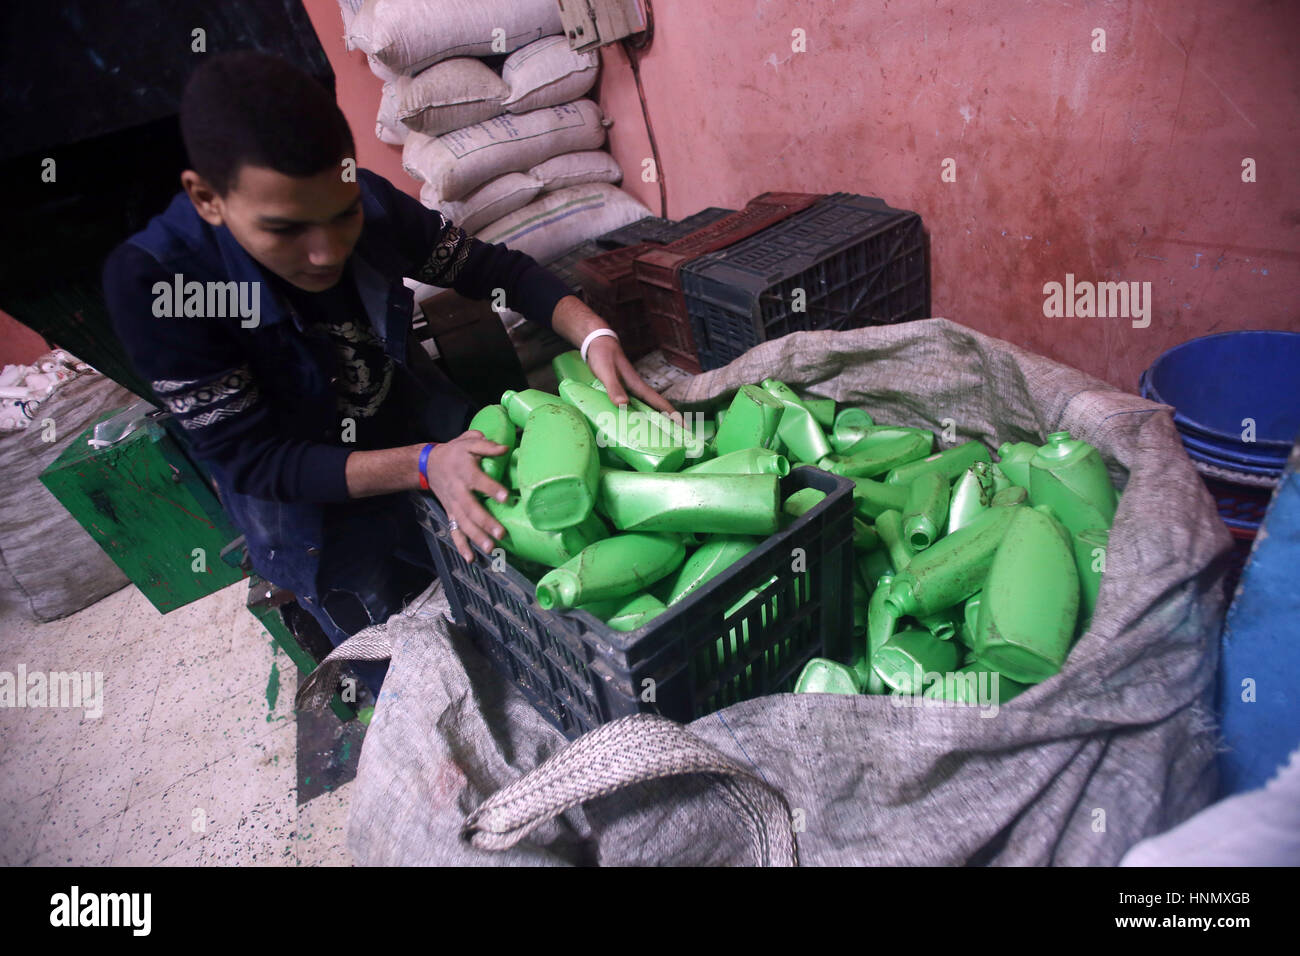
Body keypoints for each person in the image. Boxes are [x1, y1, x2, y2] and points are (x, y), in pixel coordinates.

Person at [102, 51, 675, 696]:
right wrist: (424, 464)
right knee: (413, 676)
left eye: (341, 214)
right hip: (324, 519)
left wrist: (593, 334)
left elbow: (496, 271)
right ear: (208, 199)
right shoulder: (160, 284)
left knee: (527, 625)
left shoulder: (368, 200)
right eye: (285, 230)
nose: (325, 253)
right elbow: (255, 461)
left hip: (424, 430)